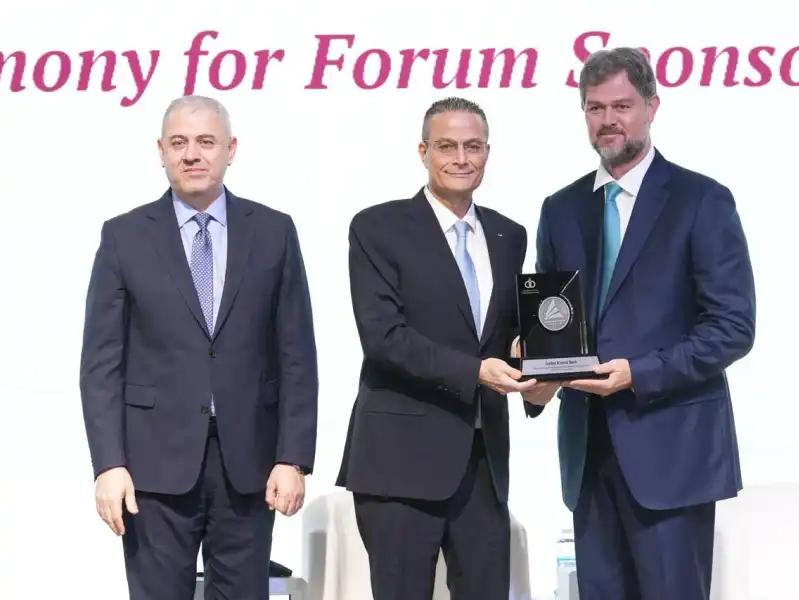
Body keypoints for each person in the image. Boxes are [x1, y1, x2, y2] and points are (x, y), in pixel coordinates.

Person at [522, 48, 756, 600]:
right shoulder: (561, 208)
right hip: (588, 457)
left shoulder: (702, 200)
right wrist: (536, 373)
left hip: (672, 454)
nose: (608, 120)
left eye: (622, 106)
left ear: (652, 107)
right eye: (595, 107)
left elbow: (732, 326)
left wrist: (639, 373)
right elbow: (554, 322)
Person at [79, 95, 319, 599]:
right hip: (151, 467)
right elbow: (101, 364)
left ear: (231, 149)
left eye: (206, 141)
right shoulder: (124, 236)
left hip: (249, 465)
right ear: (161, 151)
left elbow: (297, 354)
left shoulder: (273, 231)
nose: (192, 154)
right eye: (179, 143)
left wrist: (293, 458)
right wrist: (108, 464)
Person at [335, 96, 535, 600]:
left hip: (484, 463)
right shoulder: (377, 228)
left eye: (473, 146)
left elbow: (507, 337)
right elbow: (384, 338)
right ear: (423, 152)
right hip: (399, 463)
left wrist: (544, 369)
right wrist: (477, 372)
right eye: (447, 146)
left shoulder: (509, 235)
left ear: (487, 152)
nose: (461, 158)